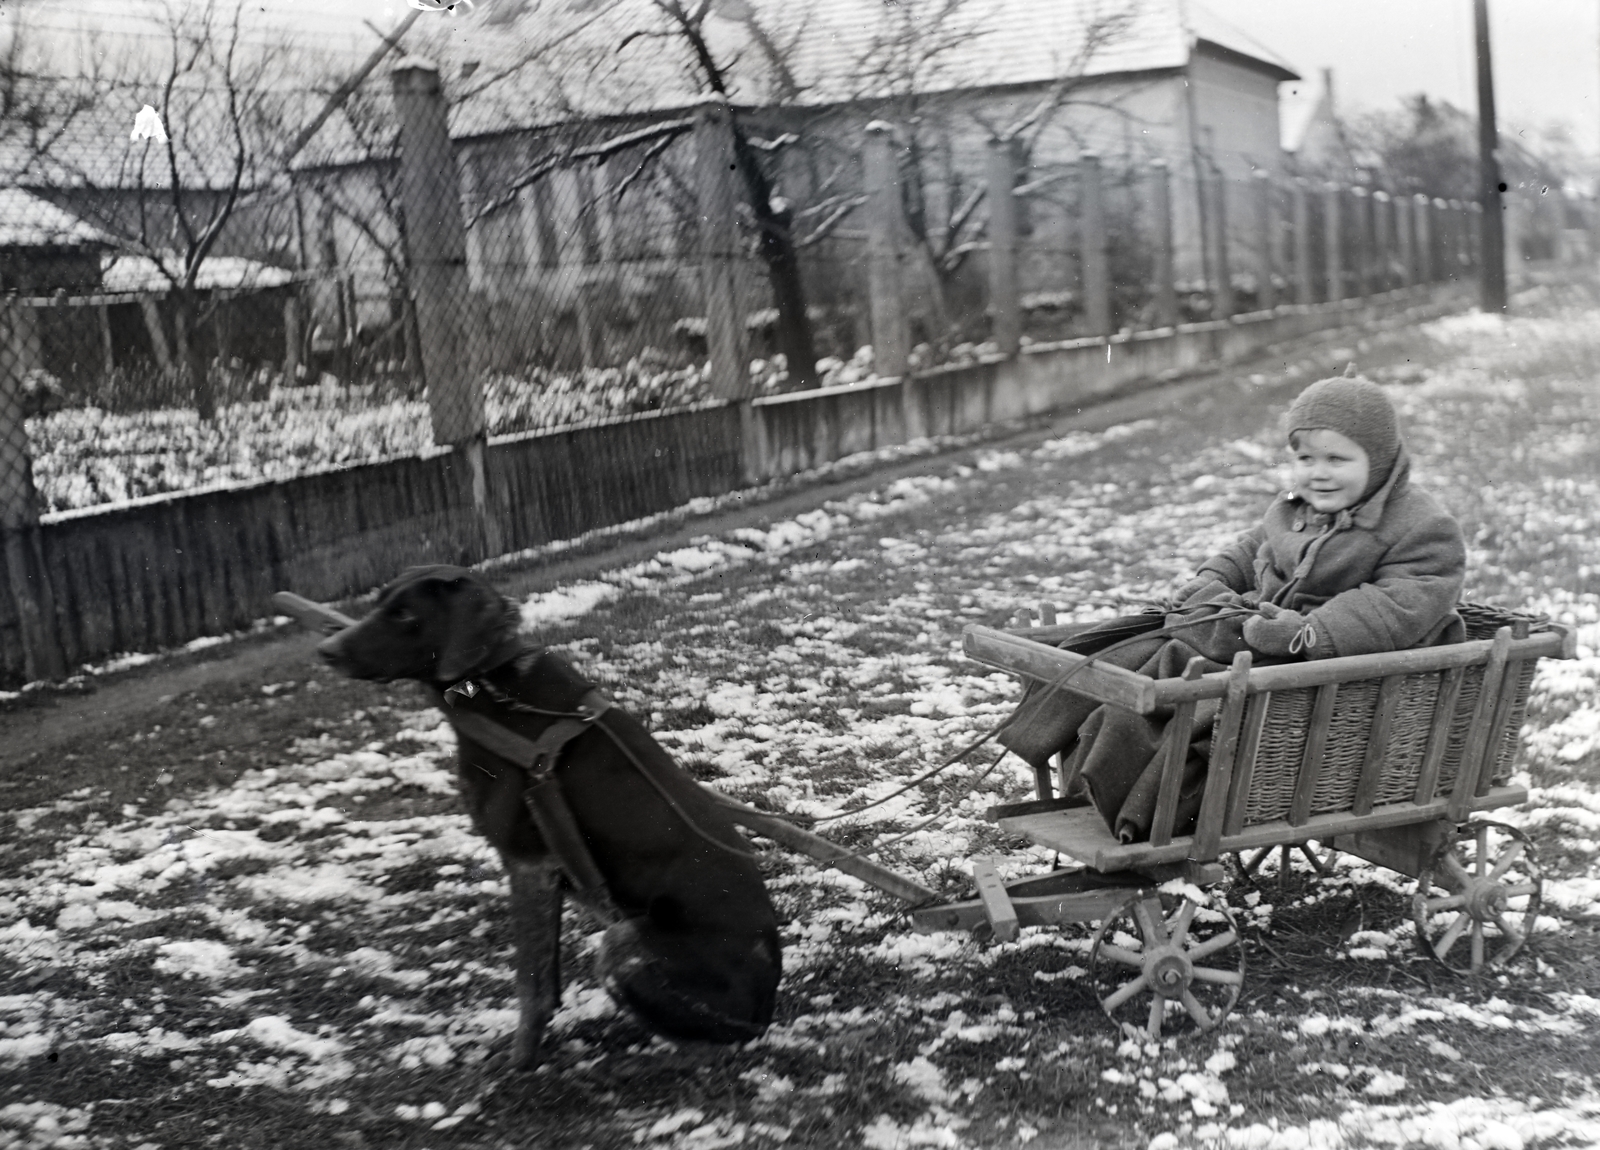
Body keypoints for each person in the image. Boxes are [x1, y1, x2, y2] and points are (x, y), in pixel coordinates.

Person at [996, 375, 1468, 843]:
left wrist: (1311, 631)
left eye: (1337, 459)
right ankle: (1069, 751)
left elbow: (1400, 600)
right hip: (1264, 639)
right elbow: (1253, 549)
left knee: (1178, 685)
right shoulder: (1300, 507)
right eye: (1305, 458)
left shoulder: (1420, 526)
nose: (1317, 472)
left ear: (1380, 461)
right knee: (1136, 650)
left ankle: (1142, 809)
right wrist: (1213, 579)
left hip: (1338, 662)